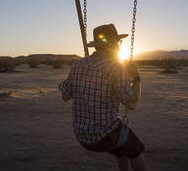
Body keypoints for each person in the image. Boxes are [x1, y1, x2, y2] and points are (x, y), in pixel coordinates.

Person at [58, 24, 149, 171]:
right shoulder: (116, 68)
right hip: (104, 135)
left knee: (123, 143)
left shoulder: (77, 65)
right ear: (113, 43)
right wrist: (137, 77)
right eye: (118, 42)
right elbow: (131, 105)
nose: (119, 46)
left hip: (81, 135)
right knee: (136, 151)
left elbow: (65, 96)